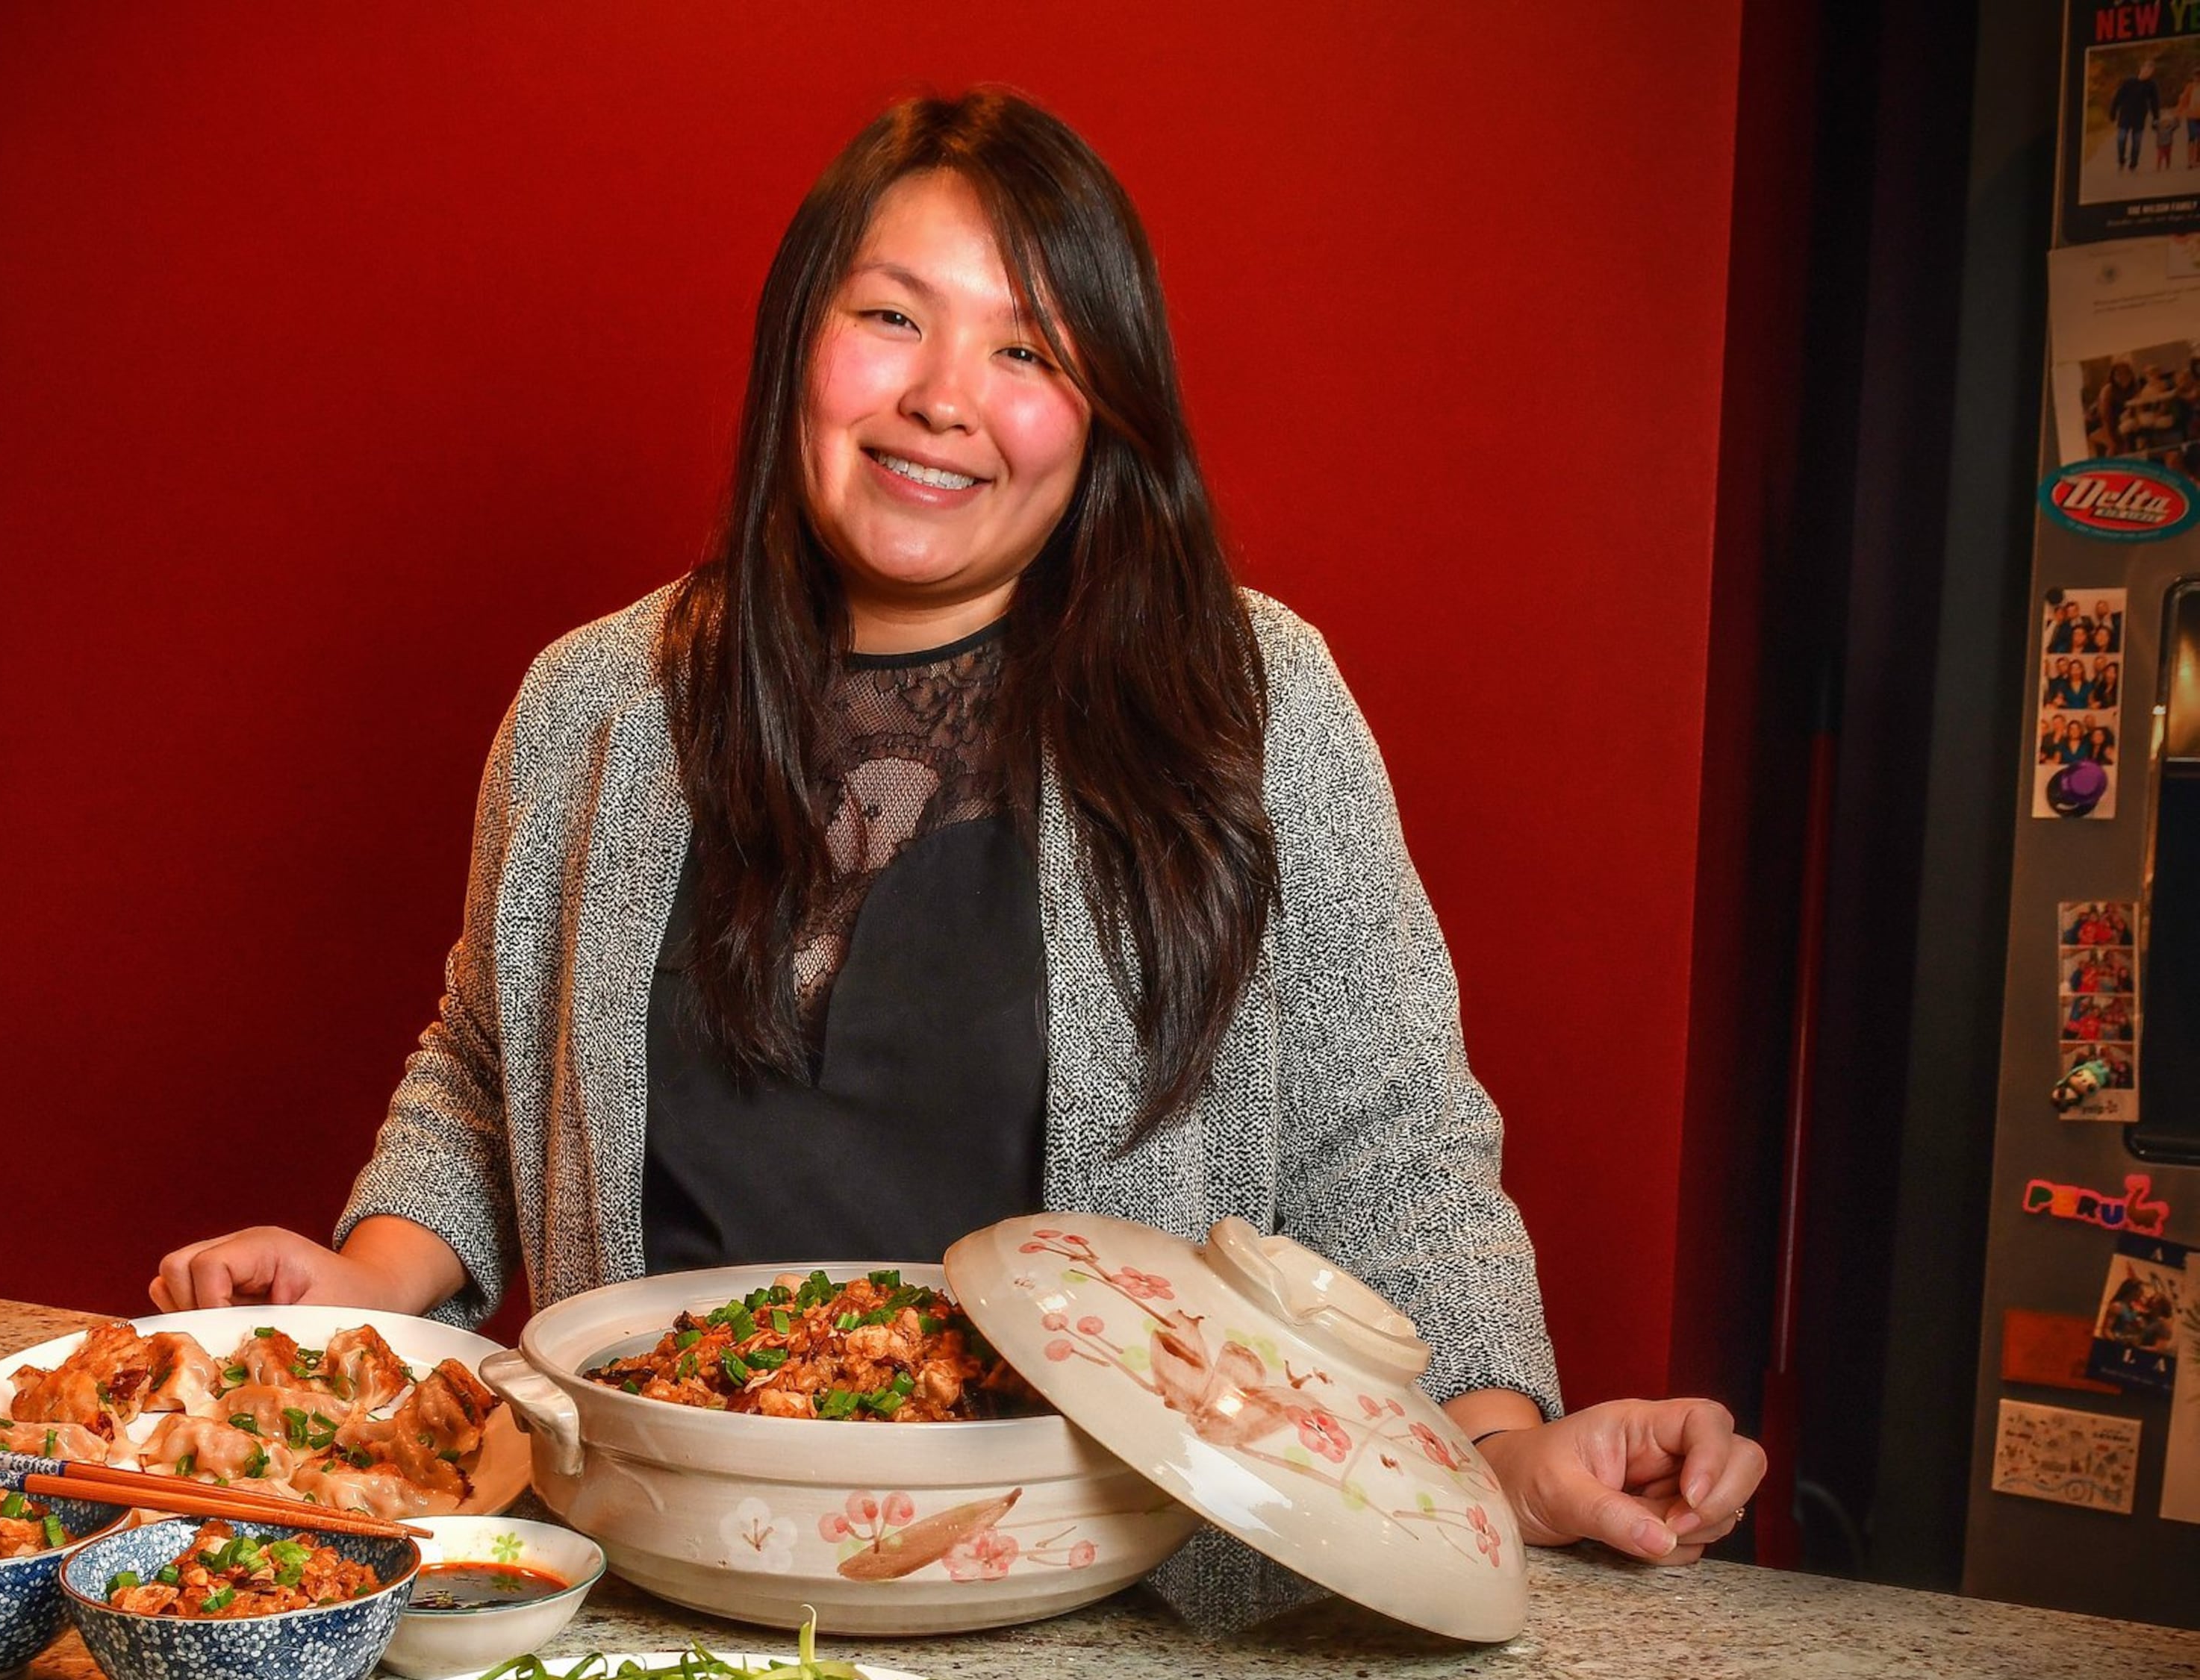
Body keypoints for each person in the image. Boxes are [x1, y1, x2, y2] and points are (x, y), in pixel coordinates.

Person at [151, 92, 1763, 1581]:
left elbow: (1393, 1139)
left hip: (1108, 1598)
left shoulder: (1248, 698)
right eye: (892, 316)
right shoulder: (594, 705)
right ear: (801, 337)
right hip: (663, 1569)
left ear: (1103, 408)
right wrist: (367, 1281)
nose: (942, 397)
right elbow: (487, 1057)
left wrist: (1495, 1456)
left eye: (1028, 349)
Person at [2117, 57, 2162, 171]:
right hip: (2125, 115)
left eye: (2150, 71)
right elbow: (2118, 96)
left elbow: (2155, 102)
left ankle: (2133, 163)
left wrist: (2156, 118)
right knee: (2121, 138)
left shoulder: (2151, 85)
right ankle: (2121, 159)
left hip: (2139, 117)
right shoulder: (2129, 81)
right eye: (2146, 69)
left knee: (2137, 141)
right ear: (2141, 69)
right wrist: (2113, 111)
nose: (2147, 73)